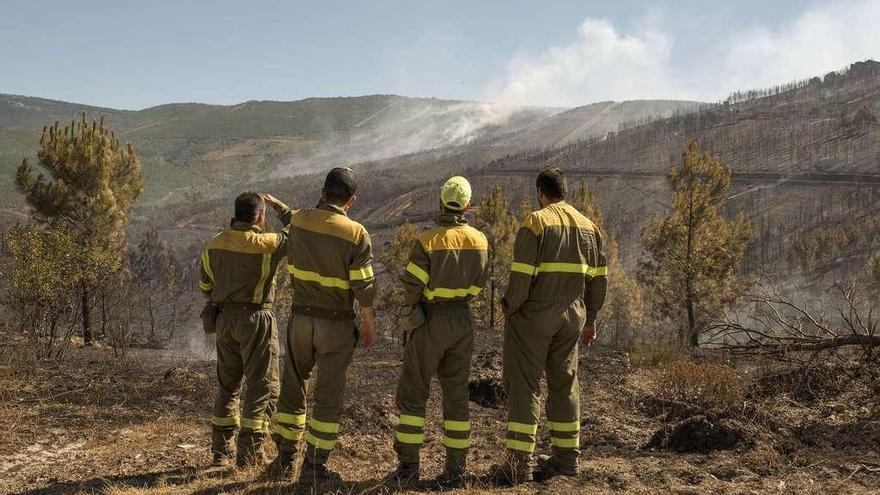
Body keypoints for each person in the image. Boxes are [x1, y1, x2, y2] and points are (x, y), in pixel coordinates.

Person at [490, 168, 608, 484]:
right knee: (565, 383)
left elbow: (521, 279)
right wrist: (591, 319)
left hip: (535, 316)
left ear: (541, 193)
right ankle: (567, 460)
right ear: (564, 192)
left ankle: (520, 465)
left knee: (526, 384)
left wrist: (509, 308)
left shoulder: (536, 223)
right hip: (573, 315)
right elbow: (599, 281)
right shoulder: (589, 227)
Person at [270, 167, 377, 485]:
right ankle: (314, 469)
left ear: (322, 191)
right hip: (335, 326)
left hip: (300, 320)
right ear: (352, 200)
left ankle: (284, 459)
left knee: (292, 389)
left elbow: (292, 219)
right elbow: (364, 288)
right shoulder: (356, 234)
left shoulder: (300, 220)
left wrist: (278, 207)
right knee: (328, 397)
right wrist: (368, 322)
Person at [390, 176, 489, 487]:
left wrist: (414, 309)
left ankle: (408, 468)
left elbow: (411, 286)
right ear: (468, 206)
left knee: (414, 393)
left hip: (431, 320)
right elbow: (479, 284)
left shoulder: (428, 241)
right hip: (462, 320)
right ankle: (456, 470)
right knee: (456, 395)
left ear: (440, 203)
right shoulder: (480, 240)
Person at [198, 191, 294, 467]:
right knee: (262, 386)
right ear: (260, 216)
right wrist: (280, 206)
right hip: (256, 321)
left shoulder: (215, 244)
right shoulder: (268, 243)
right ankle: (250, 453)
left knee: (228, 386)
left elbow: (205, 285)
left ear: (235, 214)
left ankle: (221, 451)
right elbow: (296, 229)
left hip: (224, 321)